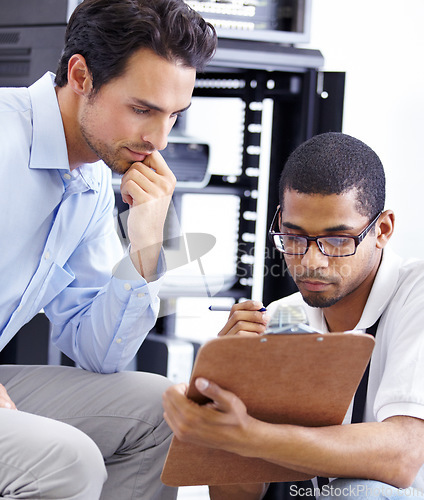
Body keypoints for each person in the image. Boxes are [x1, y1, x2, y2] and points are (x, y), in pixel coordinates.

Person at [0, 0, 216, 498]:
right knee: (66, 460)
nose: (158, 140)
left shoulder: (94, 182)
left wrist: (145, 243)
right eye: (142, 110)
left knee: (164, 410)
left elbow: (97, 352)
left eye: (174, 116)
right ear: (81, 75)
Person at [162, 132, 424, 499]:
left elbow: (403, 456)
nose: (311, 262)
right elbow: (235, 497)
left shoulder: (417, 293)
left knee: (358, 492)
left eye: (337, 241)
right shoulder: (284, 317)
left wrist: (250, 435)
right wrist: (225, 390)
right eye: (294, 237)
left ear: (382, 230)